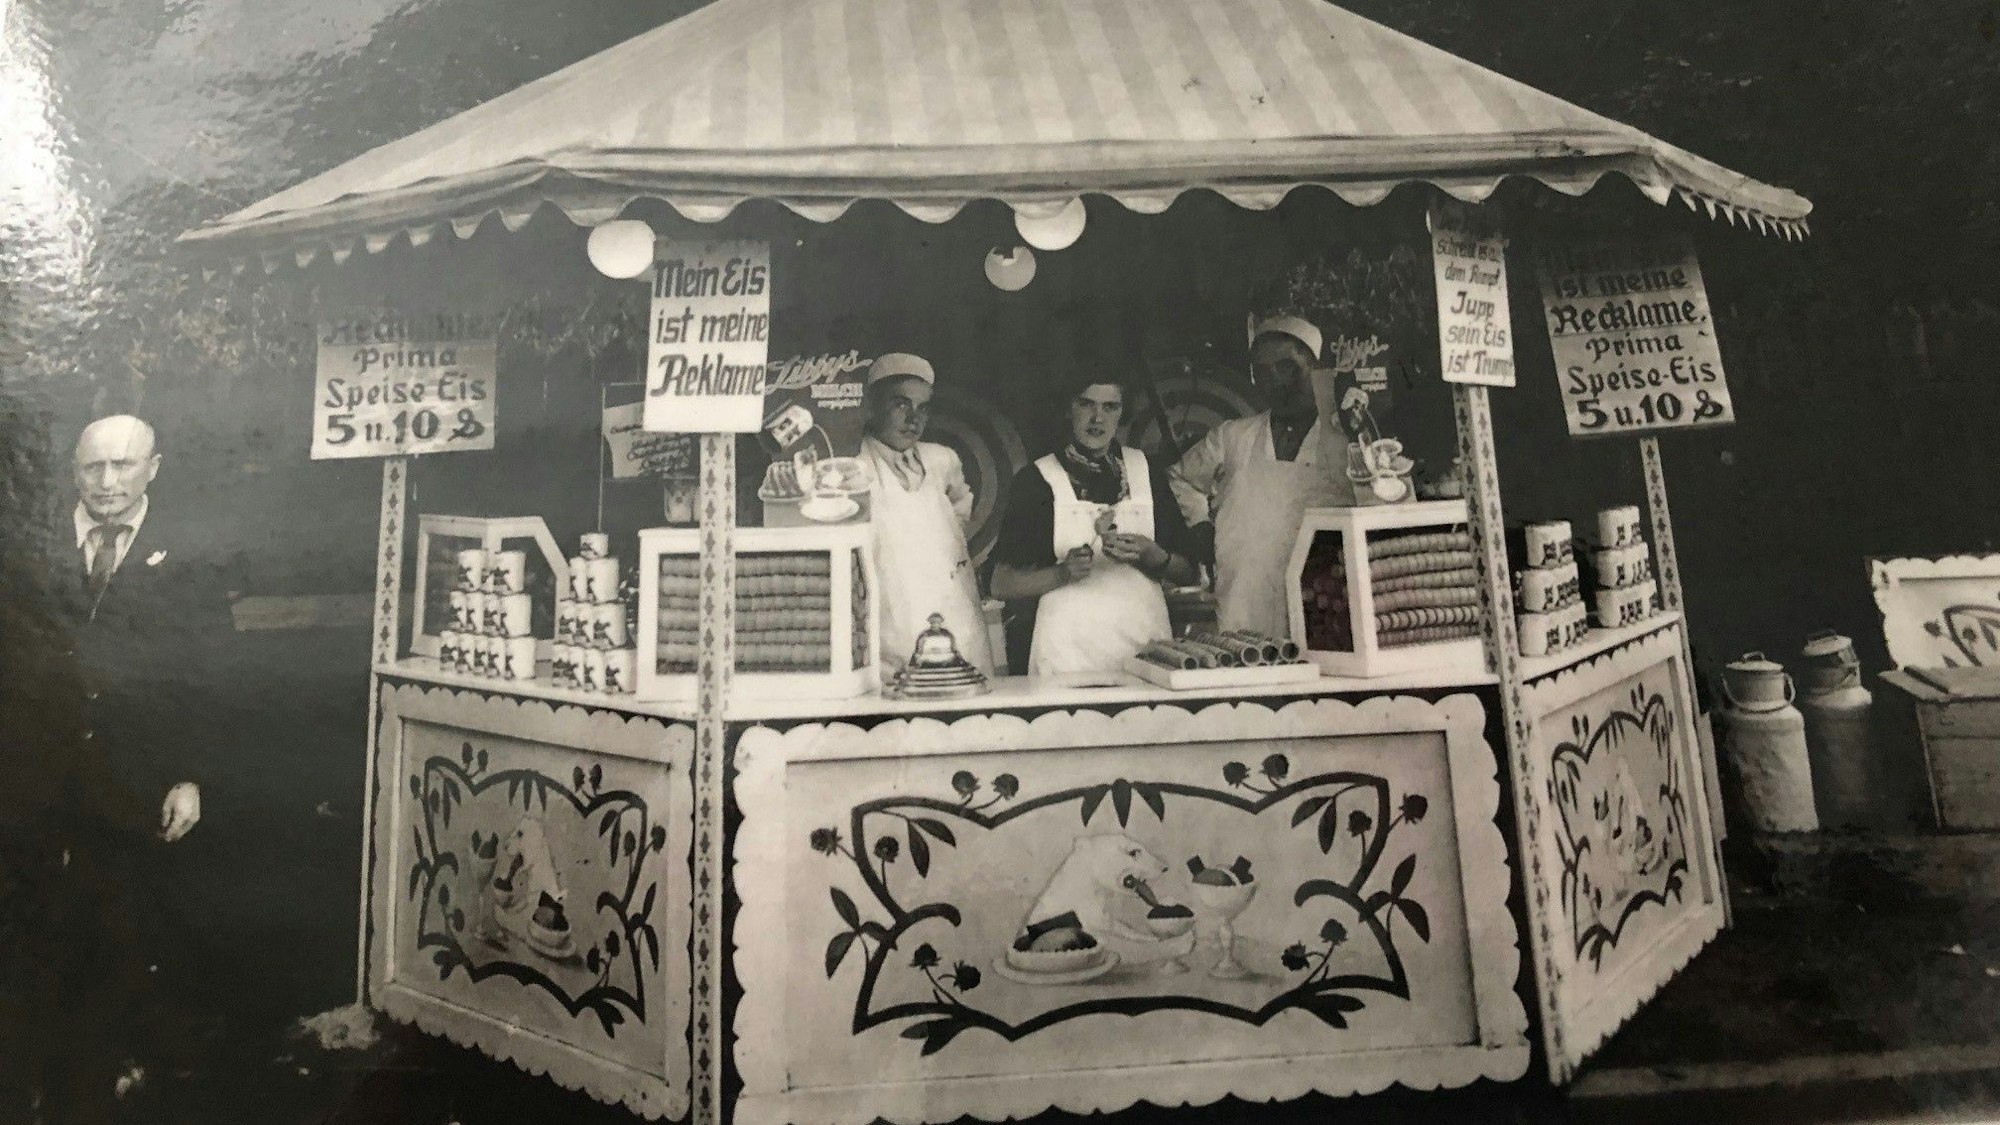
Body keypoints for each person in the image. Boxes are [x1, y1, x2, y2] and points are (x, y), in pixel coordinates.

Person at [39, 414, 236, 1112]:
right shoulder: (32, 550)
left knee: (131, 916)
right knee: (40, 915)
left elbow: (210, 674)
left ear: (155, 466)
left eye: (125, 465)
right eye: (94, 467)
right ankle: (52, 1066)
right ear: (74, 470)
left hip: (137, 774)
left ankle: (128, 1062)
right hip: (39, 772)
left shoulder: (189, 555)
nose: (109, 481)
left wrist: (190, 774)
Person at [991, 377, 1199, 679]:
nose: (1097, 418)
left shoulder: (1147, 471)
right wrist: (1061, 573)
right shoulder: (1036, 480)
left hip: (1146, 651)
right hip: (1066, 656)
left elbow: (1190, 571)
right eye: (1086, 404)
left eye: (1110, 407)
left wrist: (1154, 555)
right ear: (1068, 409)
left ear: (1123, 413)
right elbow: (1000, 583)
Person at [1169, 315, 1357, 639]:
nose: (1275, 383)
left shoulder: (1347, 438)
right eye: (1263, 373)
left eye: (1287, 368)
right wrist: (1201, 527)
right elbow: (1179, 478)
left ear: (1315, 368)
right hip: (1244, 600)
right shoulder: (1232, 436)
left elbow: (1383, 499)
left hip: (1326, 600)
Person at [858, 353, 995, 674]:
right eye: (901, 405)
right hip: (895, 624)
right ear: (874, 407)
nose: (913, 419)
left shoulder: (942, 460)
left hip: (958, 617)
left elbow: (961, 510)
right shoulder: (856, 468)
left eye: (922, 408)